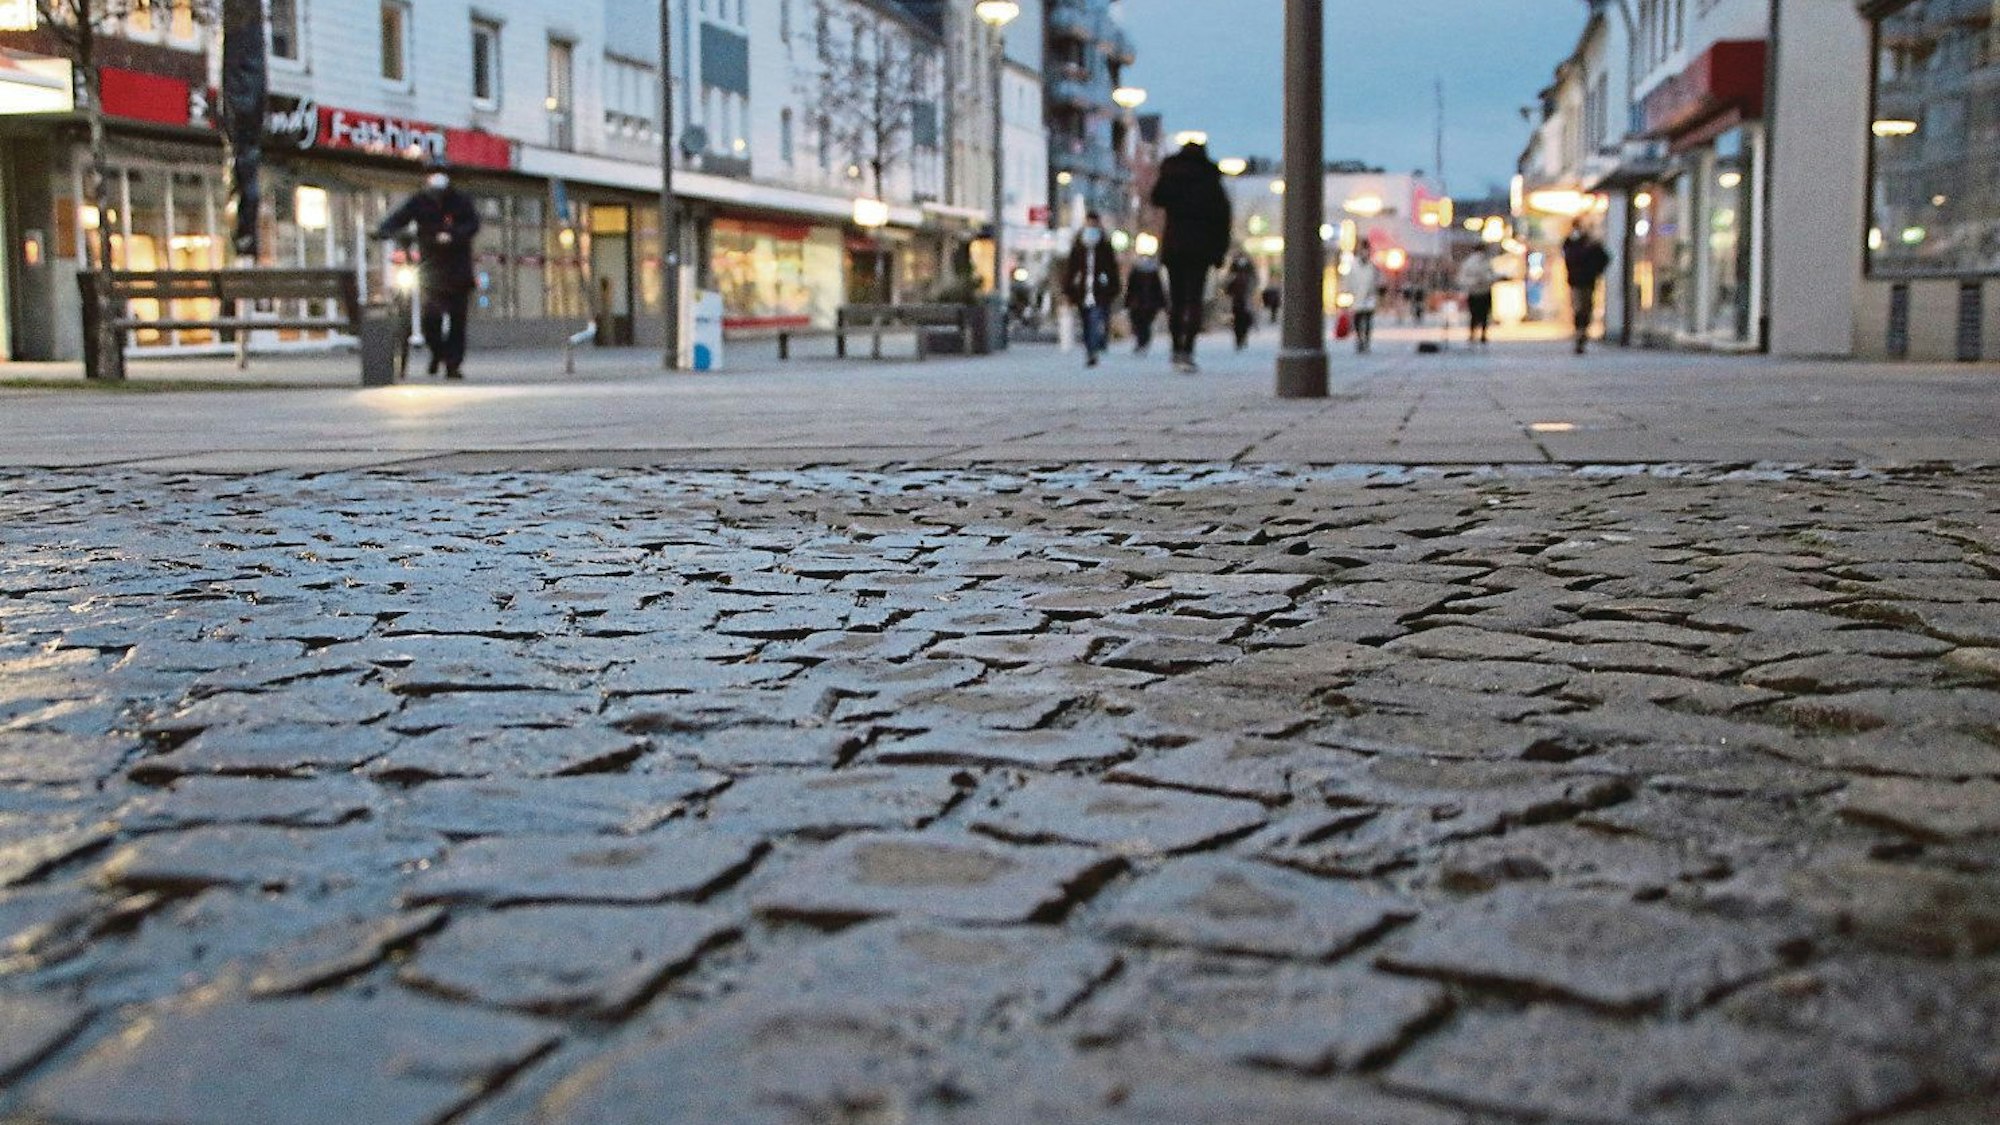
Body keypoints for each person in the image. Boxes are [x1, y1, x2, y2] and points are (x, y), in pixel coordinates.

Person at [375, 163, 481, 379]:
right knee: (430, 320)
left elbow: (473, 224)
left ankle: (453, 364)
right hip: (432, 269)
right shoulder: (420, 201)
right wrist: (383, 231)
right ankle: (439, 353)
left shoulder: (460, 201)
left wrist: (453, 234)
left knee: (457, 321)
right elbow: (398, 218)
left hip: (458, 269)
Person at [1149, 138, 1232, 373]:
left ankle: (1175, 348)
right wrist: (1219, 252)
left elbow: (1156, 198)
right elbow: (1222, 218)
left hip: (1175, 246)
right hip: (1201, 249)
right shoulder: (1210, 178)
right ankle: (1188, 349)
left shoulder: (1171, 173)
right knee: (1193, 299)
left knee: (1175, 300)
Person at [1063, 212, 1121, 368]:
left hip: (1100, 291)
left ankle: (1094, 349)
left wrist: (1113, 288)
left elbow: (1112, 269)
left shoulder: (1104, 245)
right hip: (1083, 291)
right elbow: (1071, 269)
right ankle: (1090, 349)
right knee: (1086, 322)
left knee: (1096, 320)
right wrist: (1068, 290)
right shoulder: (1078, 245)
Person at [1562, 223, 1612, 355]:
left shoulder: (1590, 245)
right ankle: (1580, 332)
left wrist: (1595, 271)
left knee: (1585, 307)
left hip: (1586, 281)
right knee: (1580, 307)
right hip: (1578, 282)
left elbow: (1604, 258)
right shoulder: (1572, 244)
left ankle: (1581, 332)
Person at [1125, 253, 1167, 355]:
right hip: (1140, 303)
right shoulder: (1136, 273)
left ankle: (1143, 342)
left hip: (1148, 304)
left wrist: (1161, 303)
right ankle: (1142, 342)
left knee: (1144, 324)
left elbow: (1158, 289)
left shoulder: (1152, 273)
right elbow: (1130, 288)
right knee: (1140, 324)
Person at [1456, 246, 1498, 347]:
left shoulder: (1468, 263)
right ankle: (1481, 334)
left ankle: (1474, 334)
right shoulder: (1486, 262)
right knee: (1483, 315)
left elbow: (1462, 278)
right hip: (1482, 291)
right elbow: (1491, 275)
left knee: (1475, 315)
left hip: (1475, 292)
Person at [1346, 243, 1382, 354]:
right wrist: (1350, 292)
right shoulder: (1353, 265)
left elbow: (1376, 281)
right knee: (1357, 320)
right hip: (1357, 297)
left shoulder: (1372, 266)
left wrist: (1374, 292)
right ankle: (1359, 340)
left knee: (1368, 320)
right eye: (1363, 251)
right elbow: (1349, 280)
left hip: (1369, 297)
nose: (1365, 253)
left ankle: (1366, 341)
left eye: (1367, 251)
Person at [1225, 254, 1258, 351]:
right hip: (1238, 300)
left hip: (1243, 299)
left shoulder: (1246, 273)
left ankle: (1241, 337)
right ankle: (1240, 338)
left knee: (1243, 319)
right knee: (1239, 320)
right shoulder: (1236, 271)